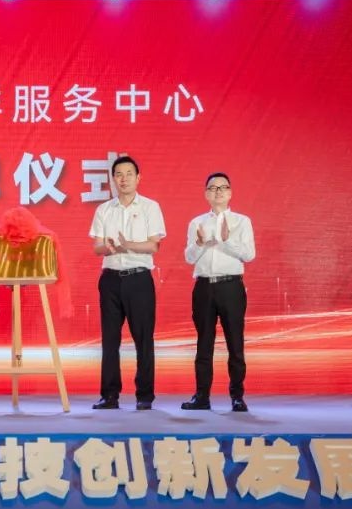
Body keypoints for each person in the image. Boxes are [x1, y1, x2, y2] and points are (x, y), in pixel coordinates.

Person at [89, 156, 166, 410]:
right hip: (110, 279)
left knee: (143, 339)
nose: (124, 179)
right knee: (110, 340)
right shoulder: (104, 209)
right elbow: (97, 247)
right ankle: (109, 395)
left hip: (139, 279)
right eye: (119, 174)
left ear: (138, 177)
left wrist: (127, 245)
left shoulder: (150, 207)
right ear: (113, 179)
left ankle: (144, 395)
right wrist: (108, 247)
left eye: (129, 174)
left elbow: (154, 245)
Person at [182, 172, 255, 412]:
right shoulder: (196, 223)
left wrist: (226, 240)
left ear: (230, 192)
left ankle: (237, 396)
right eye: (213, 188)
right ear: (206, 194)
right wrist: (200, 244)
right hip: (204, 287)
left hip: (230, 286)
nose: (218, 192)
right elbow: (189, 257)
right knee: (204, 344)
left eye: (223, 187)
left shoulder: (242, 221)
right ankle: (202, 396)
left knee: (235, 343)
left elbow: (249, 254)